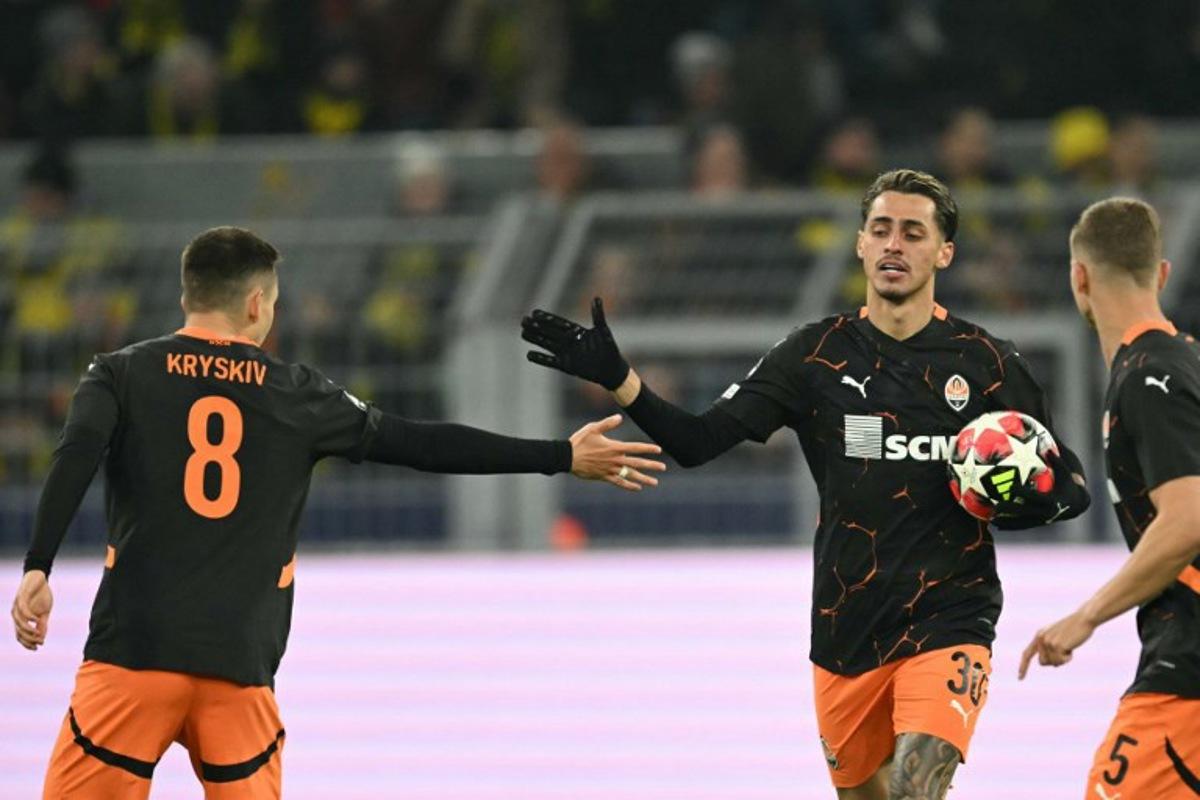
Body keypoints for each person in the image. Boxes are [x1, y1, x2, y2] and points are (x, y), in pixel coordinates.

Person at [9, 226, 665, 799]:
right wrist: (559, 454)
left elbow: (76, 454)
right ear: (258, 302)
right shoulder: (297, 394)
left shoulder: (119, 372)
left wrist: (39, 565)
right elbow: (422, 443)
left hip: (132, 658)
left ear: (189, 296)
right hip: (237, 671)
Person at [521, 169, 1091, 799]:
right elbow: (697, 442)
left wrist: (1003, 497)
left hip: (951, 617)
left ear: (943, 252)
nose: (894, 245)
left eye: (912, 232)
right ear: (860, 244)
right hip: (846, 629)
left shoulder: (988, 363)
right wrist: (620, 378)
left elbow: (1069, 489)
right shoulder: (815, 356)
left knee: (913, 788)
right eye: (881, 230)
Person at [1019, 198, 1200, 798]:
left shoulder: (1151, 379)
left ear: (1079, 277)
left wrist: (1086, 616)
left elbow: (1188, 521)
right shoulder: (1187, 362)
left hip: (1189, 668)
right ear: (1162, 273)